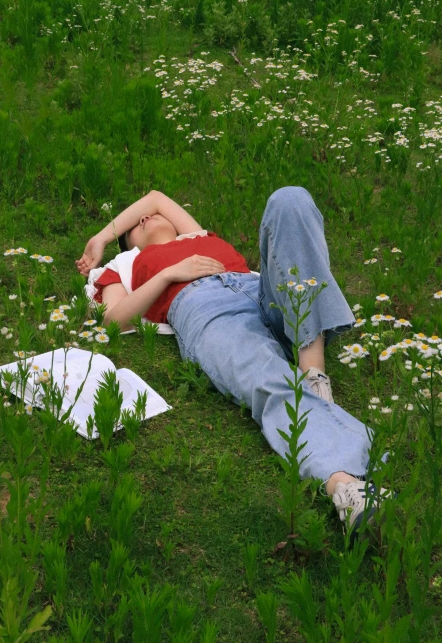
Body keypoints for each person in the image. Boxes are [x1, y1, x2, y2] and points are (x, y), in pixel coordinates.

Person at [76, 187, 389, 533]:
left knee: (289, 200)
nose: (146, 217)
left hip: (257, 290)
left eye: (146, 215)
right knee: (264, 378)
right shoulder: (126, 263)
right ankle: (347, 486)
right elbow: (112, 320)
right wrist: (169, 273)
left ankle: (313, 376)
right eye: (135, 225)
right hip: (203, 309)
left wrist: (103, 234)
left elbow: (154, 198)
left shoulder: (195, 233)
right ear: (130, 243)